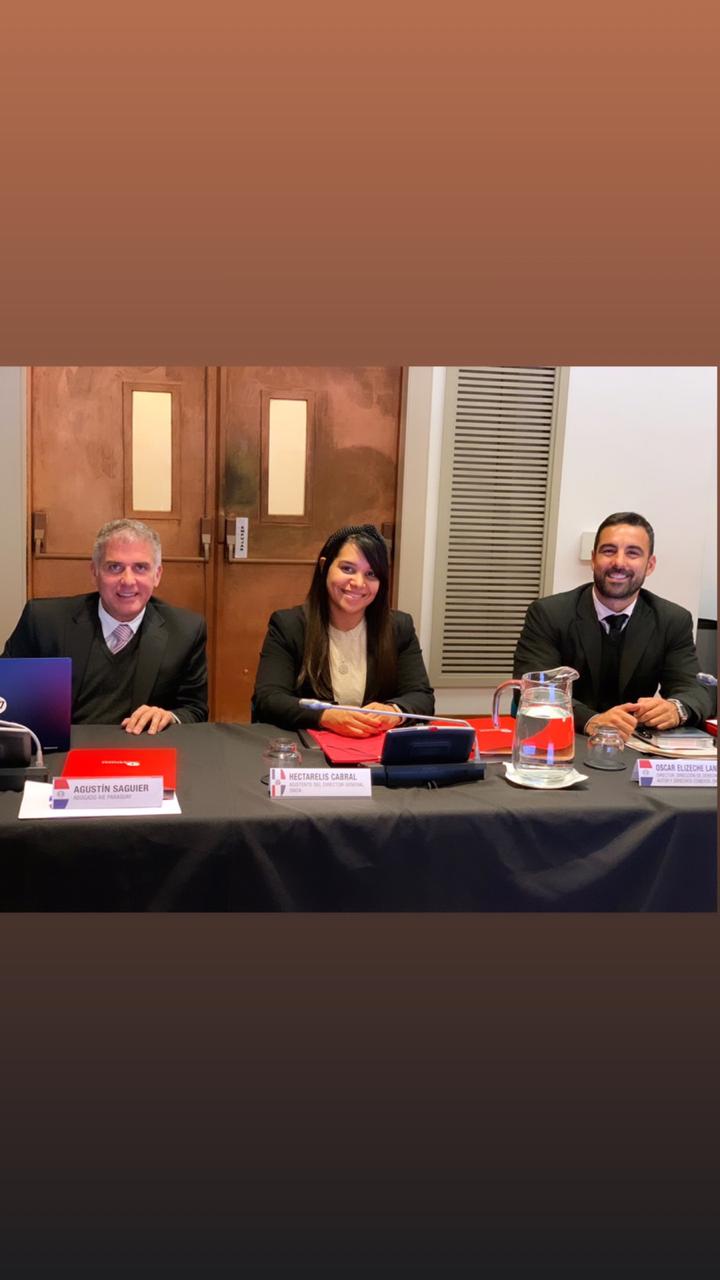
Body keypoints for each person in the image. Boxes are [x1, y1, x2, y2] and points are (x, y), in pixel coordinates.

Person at [512, 511, 713, 740]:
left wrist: (676, 709)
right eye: (609, 551)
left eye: (633, 553)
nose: (619, 563)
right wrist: (591, 720)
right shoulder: (549, 614)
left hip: (634, 743)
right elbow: (532, 690)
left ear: (650, 565)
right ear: (593, 559)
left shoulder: (672, 620)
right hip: (565, 739)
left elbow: (695, 690)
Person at [2, 519, 208, 733]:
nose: (128, 581)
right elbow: (5, 694)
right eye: (114, 567)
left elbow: (195, 710)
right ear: (95, 572)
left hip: (141, 746)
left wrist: (169, 717)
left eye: (140, 568)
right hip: (63, 746)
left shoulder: (186, 631)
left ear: (157, 575)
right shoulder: (43, 621)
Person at [252, 523, 434, 735]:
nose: (358, 583)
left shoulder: (399, 627)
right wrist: (325, 716)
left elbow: (422, 697)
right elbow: (269, 699)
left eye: (371, 574)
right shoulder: (288, 625)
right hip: (310, 748)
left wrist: (394, 711)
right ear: (324, 566)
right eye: (347, 569)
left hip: (375, 746)